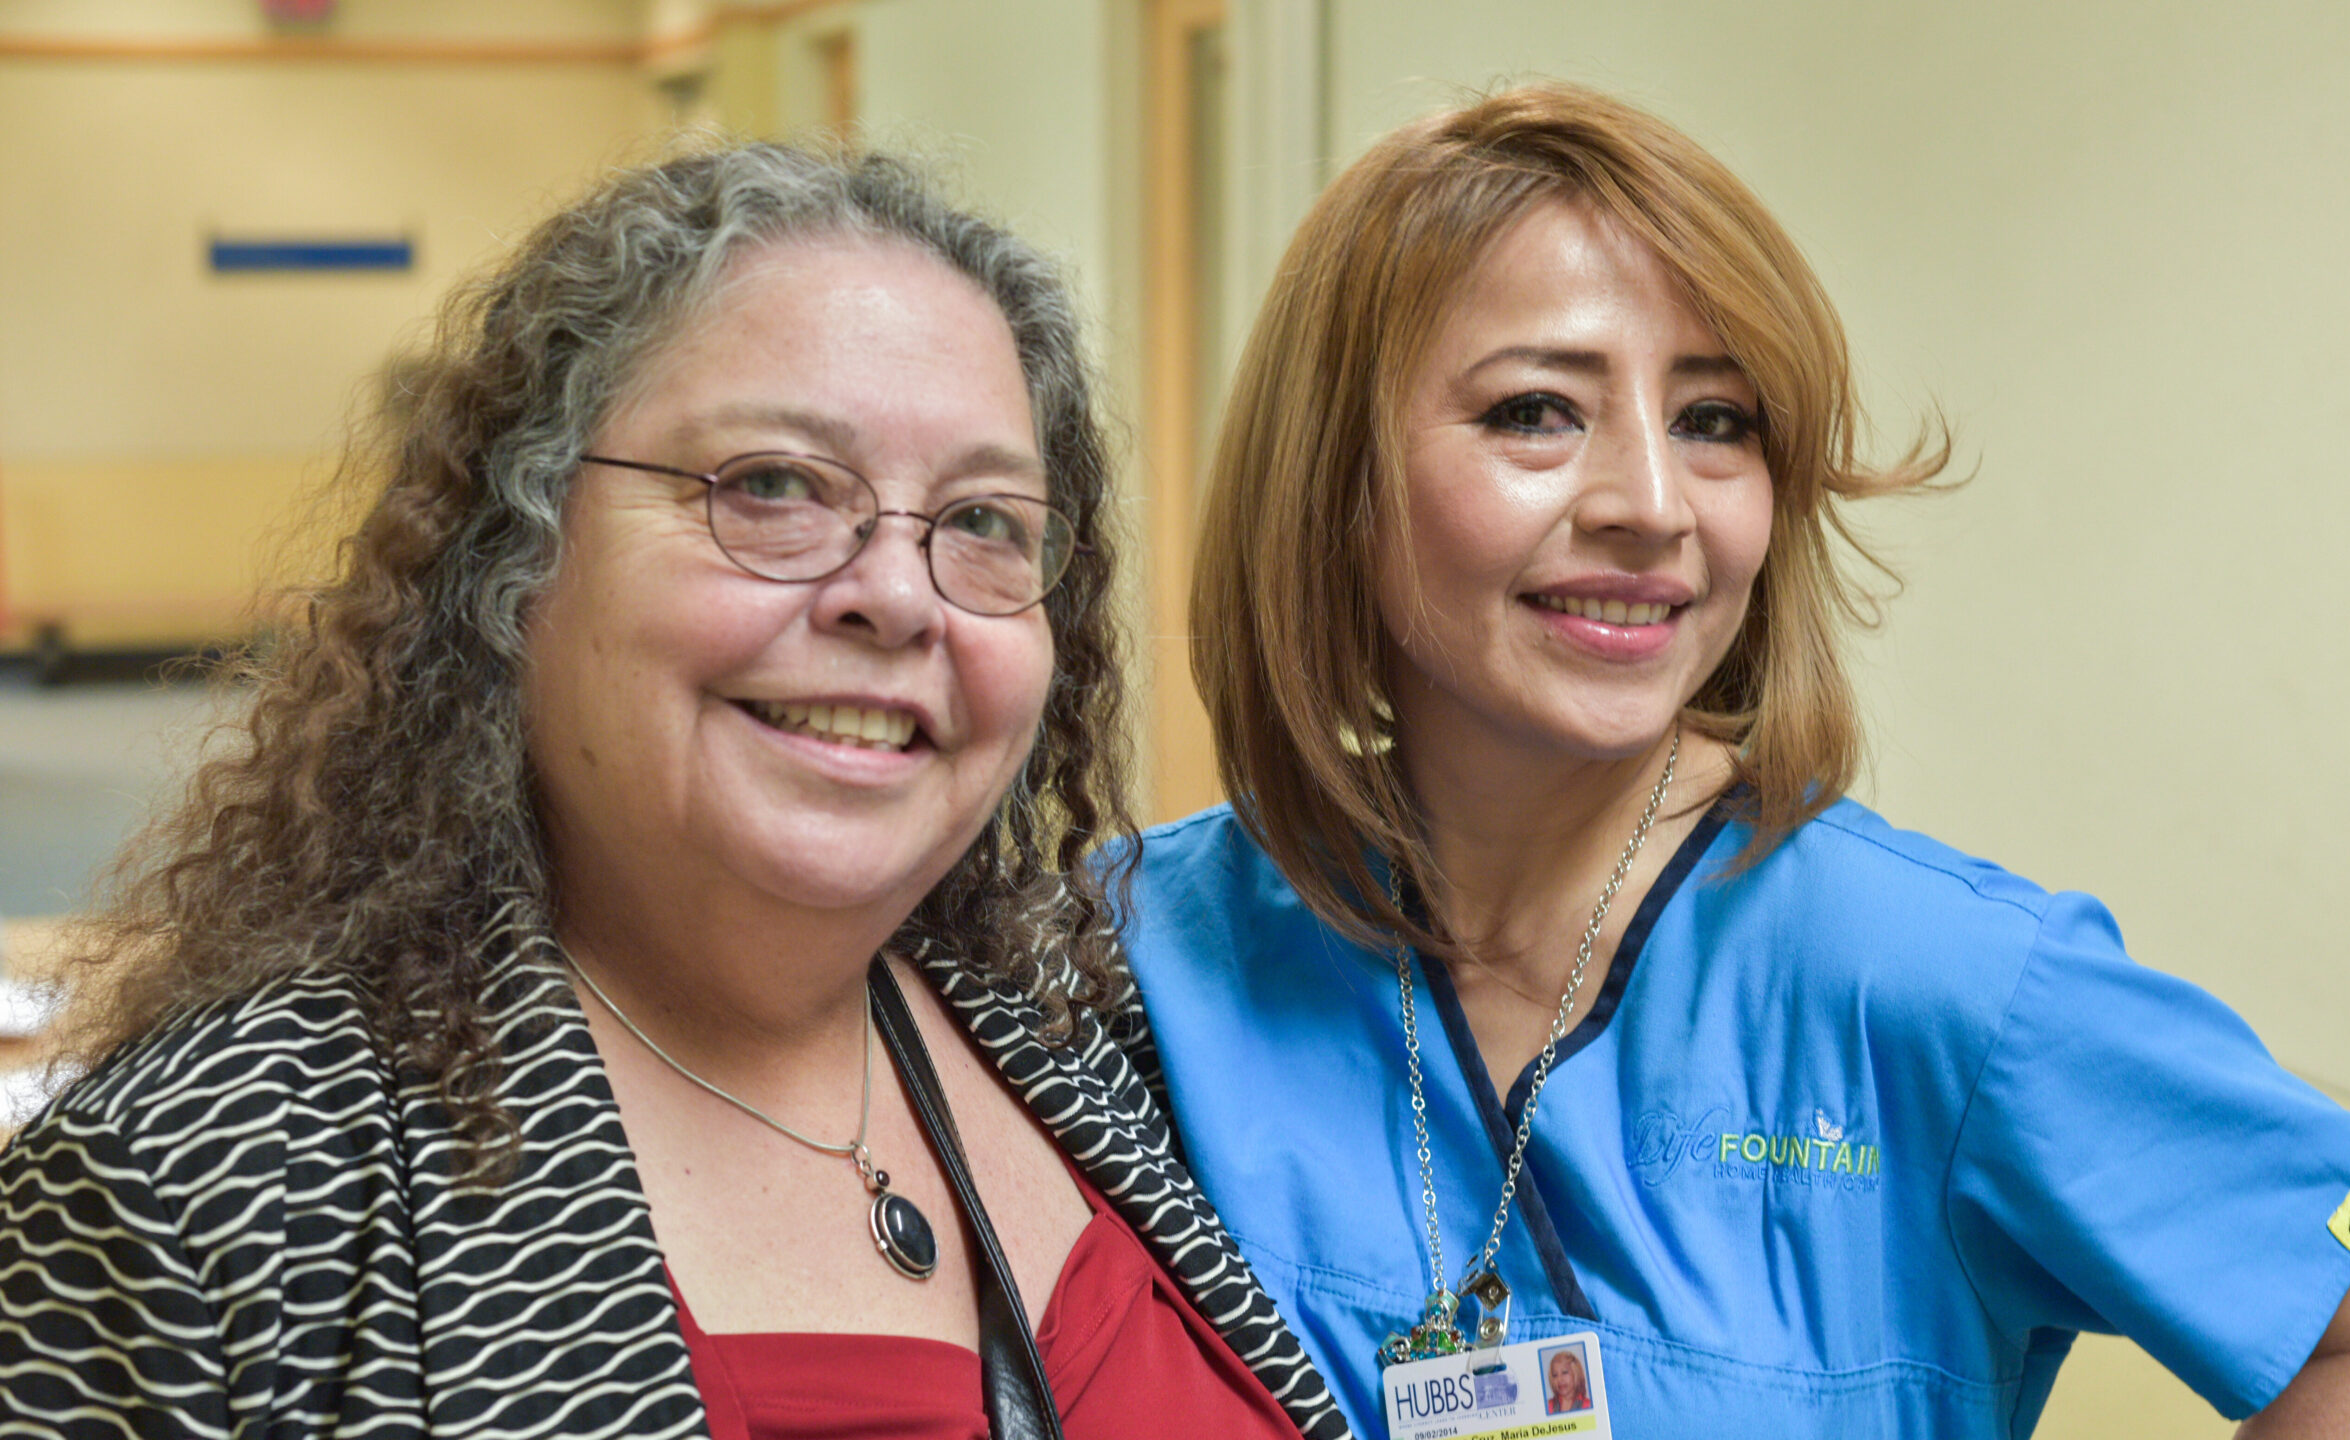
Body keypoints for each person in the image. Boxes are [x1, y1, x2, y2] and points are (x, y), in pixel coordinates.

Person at [1121, 84, 2350, 1437]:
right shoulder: (1139, 955)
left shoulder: (1937, 984)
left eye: (1715, 422)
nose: (1652, 506)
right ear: (1338, 484)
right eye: (1537, 411)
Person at [0, 142, 1345, 1440]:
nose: (893, 595)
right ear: (515, 562)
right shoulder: (206, 1189)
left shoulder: (1076, 1045)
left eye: (985, 521)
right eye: (771, 486)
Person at [1543, 1347, 1591, 1415]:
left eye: (1564, 1373)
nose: (1559, 1379)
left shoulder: (1588, 1405)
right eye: (1555, 1375)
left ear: (1576, 1374)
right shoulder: (1548, 1406)